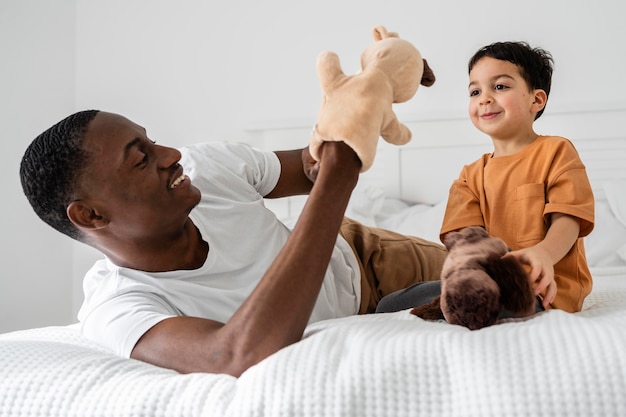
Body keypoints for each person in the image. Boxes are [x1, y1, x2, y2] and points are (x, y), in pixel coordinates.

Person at [20, 110, 447, 376]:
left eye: (152, 141)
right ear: (92, 216)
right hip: (326, 300)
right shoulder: (118, 308)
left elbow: (306, 164)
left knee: (500, 271)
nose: (171, 154)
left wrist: (350, 117)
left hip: (362, 259)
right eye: (141, 158)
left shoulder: (206, 166)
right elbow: (233, 355)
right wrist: (335, 187)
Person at [377, 41, 594, 315]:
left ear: (536, 100)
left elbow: (569, 218)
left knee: (499, 299)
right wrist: (463, 278)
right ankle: (459, 300)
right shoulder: (470, 176)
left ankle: (467, 304)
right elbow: (466, 241)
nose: (484, 98)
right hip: (483, 279)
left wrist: (544, 254)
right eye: (475, 91)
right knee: (390, 304)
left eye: (500, 86)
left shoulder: (556, 151)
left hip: (545, 287)